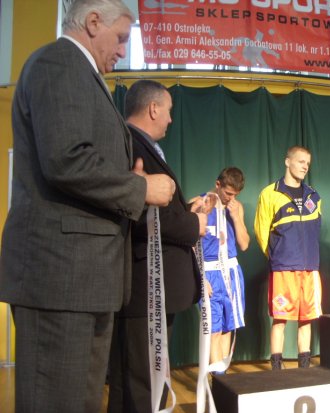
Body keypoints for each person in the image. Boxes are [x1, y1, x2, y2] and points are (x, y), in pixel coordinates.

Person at [0, 1, 176, 412]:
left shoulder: (82, 74)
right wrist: (139, 188)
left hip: (84, 279)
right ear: (93, 22)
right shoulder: (59, 63)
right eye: (121, 38)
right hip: (60, 277)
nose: (122, 50)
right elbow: (66, 159)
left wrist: (125, 179)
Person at [107, 80, 207, 412]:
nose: (170, 119)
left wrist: (186, 211)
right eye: (168, 110)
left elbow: (153, 209)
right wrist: (193, 224)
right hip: (144, 288)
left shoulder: (139, 145)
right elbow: (133, 211)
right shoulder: (129, 144)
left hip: (156, 288)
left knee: (146, 380)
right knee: (142, 384)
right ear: (153, 109)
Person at [254, 146, 322, 370]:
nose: (305, 166)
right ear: (287, 161)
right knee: (280, 318)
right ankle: (277, 367)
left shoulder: (314, 196)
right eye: (301, 161)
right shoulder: (269, 193)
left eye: (308, 163)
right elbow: (261, 231)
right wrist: (277, 255)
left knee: (307, 318)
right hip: (283, 267)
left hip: (310, 267)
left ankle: (304, 367)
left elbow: (315, 231)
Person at [198, 167, 250, 374]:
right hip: (210, 273)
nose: (231, 198)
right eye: (228, 193)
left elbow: (244, 245)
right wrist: (200, 277)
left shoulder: (235, 208)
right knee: (213, 330)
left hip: (231, 273)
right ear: (217, 184)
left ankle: (223, 377)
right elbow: (190, 245)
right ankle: (218, 379)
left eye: (235, 195)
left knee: (228, 328)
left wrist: (236, 218)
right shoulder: (200, 204)